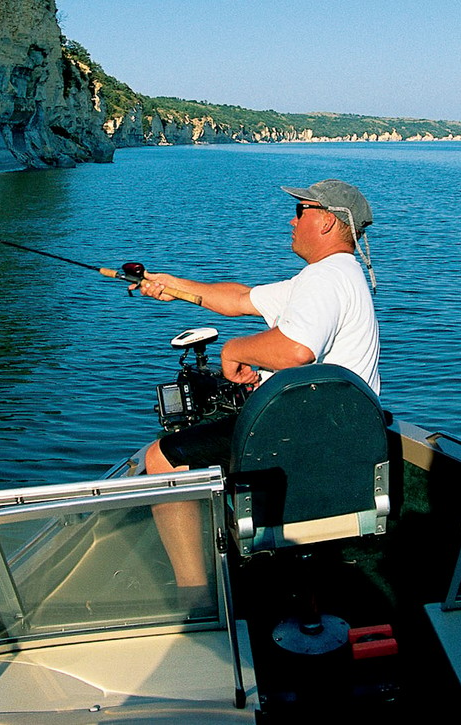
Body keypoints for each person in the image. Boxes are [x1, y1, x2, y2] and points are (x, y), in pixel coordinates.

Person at [133, 179, 380, 594]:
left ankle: (194, 596)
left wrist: (233, 350)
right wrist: (171, 285)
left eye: (300, 211)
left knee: (162, 459)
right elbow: (241, 298)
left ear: (323, 221)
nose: (291, 219)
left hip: (310, 437)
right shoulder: (335, 275)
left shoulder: (325, 279)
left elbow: (296, 350)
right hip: (340, 431)